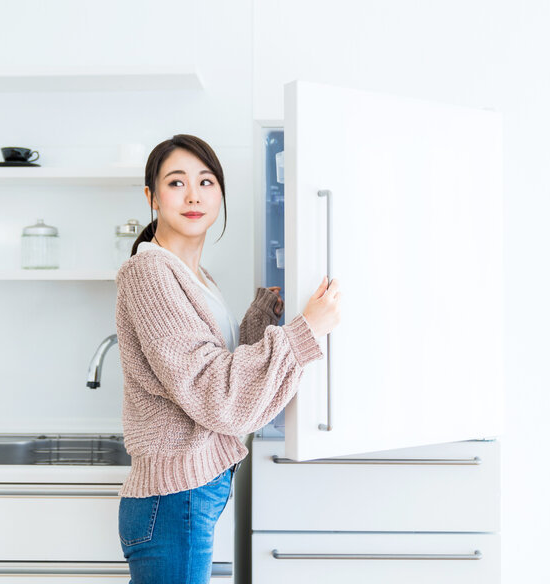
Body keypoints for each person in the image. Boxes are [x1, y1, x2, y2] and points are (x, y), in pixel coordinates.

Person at [114, 134, 342, 583]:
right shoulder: (149, 271)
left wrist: (260, 318)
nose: (194, 195)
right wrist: (305, 331)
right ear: (151, 196)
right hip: (174, 498)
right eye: (176, 183)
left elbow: (218, 369)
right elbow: (214, 391)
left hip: (185, 495)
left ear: (220, 194)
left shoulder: (196, 277)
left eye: (206, 181)